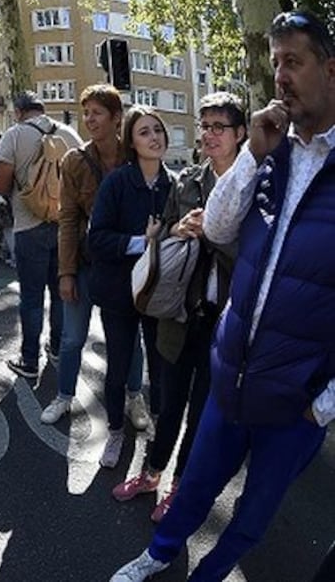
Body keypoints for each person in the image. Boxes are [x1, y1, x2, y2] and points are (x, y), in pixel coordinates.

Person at [111, 10, 335, 581]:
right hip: (231, 371)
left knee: (254, 510)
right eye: (276, 62)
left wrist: (324, 403)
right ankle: (159, 553)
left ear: (330, 70)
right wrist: (253, 152)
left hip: (296, 396)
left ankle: (210, 573)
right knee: (197, 483)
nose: (280, 76)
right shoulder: (274, 153)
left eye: (293, 61)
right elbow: (218, 225)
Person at [111, 93, 245, 522]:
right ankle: (151, 473)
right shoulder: (187, 180)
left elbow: (255, 258)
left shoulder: (253, 185)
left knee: (201, 411)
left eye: (219, 127)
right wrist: (178, 229)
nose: (209, 135)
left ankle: (180, 486)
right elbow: (165, 231)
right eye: (204, 126)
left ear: (241, 134)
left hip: (225, 319)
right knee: (168, 404)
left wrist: (215, 233)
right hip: (180, 313)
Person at [42, 84, 145, 425]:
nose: (89, 119)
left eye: (96, 113)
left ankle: (135, 397)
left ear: (117, 118)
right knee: (72, 338)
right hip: (87, 263)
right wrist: (66, 272)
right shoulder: (75, 160)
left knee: (129, 339)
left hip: (128, 265)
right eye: (86, 113)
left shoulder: (135, 156)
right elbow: (68, 220)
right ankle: (64, 396)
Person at [88, 105, 173, 468]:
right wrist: (142, 242)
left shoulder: (176, 184)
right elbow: (96, 239)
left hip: (161, 295)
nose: (154, 137)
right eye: (144, 132)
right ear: (132, 142)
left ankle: (158, 431)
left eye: (158, 130)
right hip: (119, 291)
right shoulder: (118, 182)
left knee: (162, 367)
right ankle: (115, 432)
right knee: (119, 367)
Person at [0, 90, 83, 379]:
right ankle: (57, 348)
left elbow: (1, 184)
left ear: (19, 112)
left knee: (32, 297)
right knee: (61, 293)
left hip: (28, 225)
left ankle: (30, 360)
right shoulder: (70, 134)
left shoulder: (14, 135)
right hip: (65, 226)